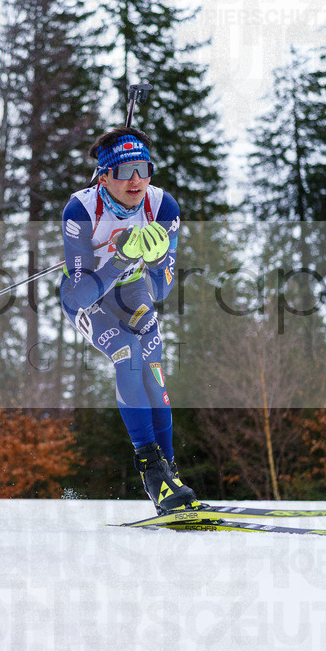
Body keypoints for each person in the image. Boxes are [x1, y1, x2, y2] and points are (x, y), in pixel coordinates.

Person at [59, 126, 201, 514]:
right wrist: (119, 259)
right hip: (90, 297)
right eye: (123, 171)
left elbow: (161, 291)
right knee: (128, 351)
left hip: (134, 291)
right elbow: (81, 293)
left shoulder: (162, 206)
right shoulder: (81, 210)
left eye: (143, 168)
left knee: (153, 366)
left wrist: (155, 260)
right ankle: (152, 471)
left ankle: (170, 478)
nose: (135, 179)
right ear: (103, 177)